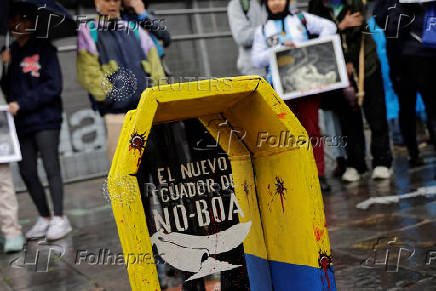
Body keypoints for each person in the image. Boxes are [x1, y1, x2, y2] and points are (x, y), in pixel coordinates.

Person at [0, 6, 71, 241]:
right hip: (21, 124)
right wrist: (4, 67)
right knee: (27, 172)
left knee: (52, 168)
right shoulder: (9, 52)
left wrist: (23, 102)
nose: (16, 24)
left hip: (46, 119)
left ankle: (60, 218)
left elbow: (54, 86)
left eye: (21, 18)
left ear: (30, 22)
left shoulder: (45, 50)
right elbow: (7, 90)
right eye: (13, 19)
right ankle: (45, 217)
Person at [251, 0, 337, 192]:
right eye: (271, 0)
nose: (276, 3)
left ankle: (318, 174)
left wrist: (305, 47)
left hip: (307, 84)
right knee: (287, 134)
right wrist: (278, 51)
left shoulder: (302, 18)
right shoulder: (263, 30)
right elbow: (256, 59)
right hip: (281, 88)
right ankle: (296, 177)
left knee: (312, 130)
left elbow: (330, 28)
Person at [309, 0, 393, 182]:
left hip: (365, 64)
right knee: (348, 119)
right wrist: (341, 26)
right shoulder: (315, 8)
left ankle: (382, 161)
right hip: (337, 70)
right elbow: (315, 39)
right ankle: (356, 164)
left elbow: (357, 25)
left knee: (376, 113)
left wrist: (350, 58)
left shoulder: (353, 2)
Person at [77, 0, 166, 160]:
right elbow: (88, 72)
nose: (112, 4)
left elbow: (155, 66)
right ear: (97, 2)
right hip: (116, 113)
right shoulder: (88, 30)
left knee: (158, 161)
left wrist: (159, 96)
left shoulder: (134, 28)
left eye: (116, 0)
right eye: (107, 0)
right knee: (123, 164)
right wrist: (110, 97)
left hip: (146, 109)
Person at [374, 0, 436, 168]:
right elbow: (384, 21)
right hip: (403, 61)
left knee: (430, 108)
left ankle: (415, 152)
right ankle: (413, 153)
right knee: (407, 108)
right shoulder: (390, 4)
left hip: (424, 57)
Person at [228, 0, 268, 76]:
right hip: (255, 71)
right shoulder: (238, 4)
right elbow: (242, 37)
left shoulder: (277, 2)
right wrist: (270, 30)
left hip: (280, 66)